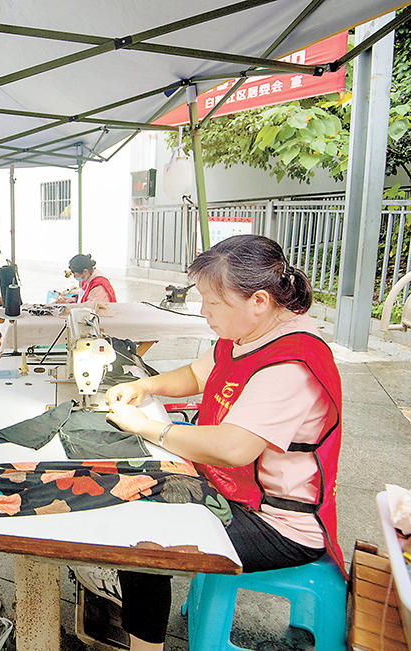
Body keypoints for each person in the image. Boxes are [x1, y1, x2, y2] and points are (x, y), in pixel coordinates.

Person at [101, 234, 341, 651]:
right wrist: (144, 385)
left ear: (260, 301)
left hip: (278, 523)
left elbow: (234, 447)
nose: (204, 312)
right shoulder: (249, 334)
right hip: (237, 492)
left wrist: (148, 428)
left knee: (141, 543)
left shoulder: (291, 362)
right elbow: (199, 374)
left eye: (214, 303)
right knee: (135, 492)